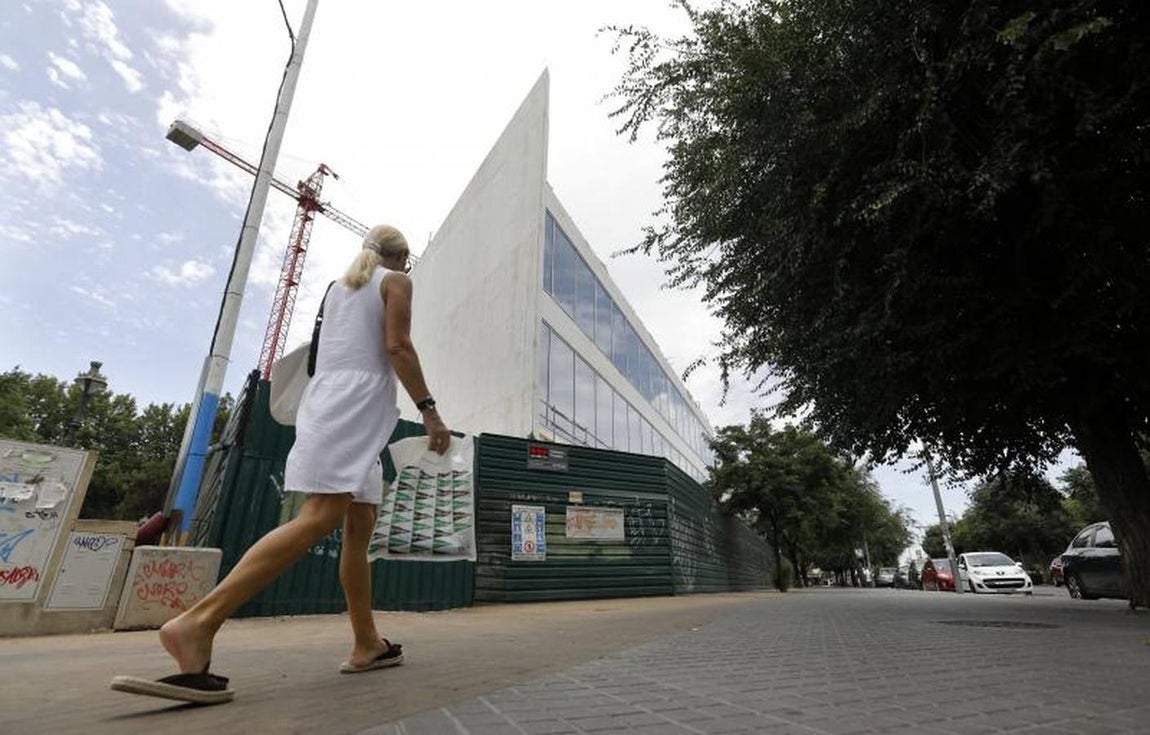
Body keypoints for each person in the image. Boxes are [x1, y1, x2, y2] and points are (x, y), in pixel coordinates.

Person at [112, 225, 451, 705]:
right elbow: (398, 347)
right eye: (406, 261)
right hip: (354, 407)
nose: (405, 269)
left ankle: (366, 643)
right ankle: (197, 622)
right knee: (321, 514)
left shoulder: (341, 288)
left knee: (360, 521)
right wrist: (430, 410)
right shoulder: (396, 282)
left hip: (340, 406)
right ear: (399, 257)